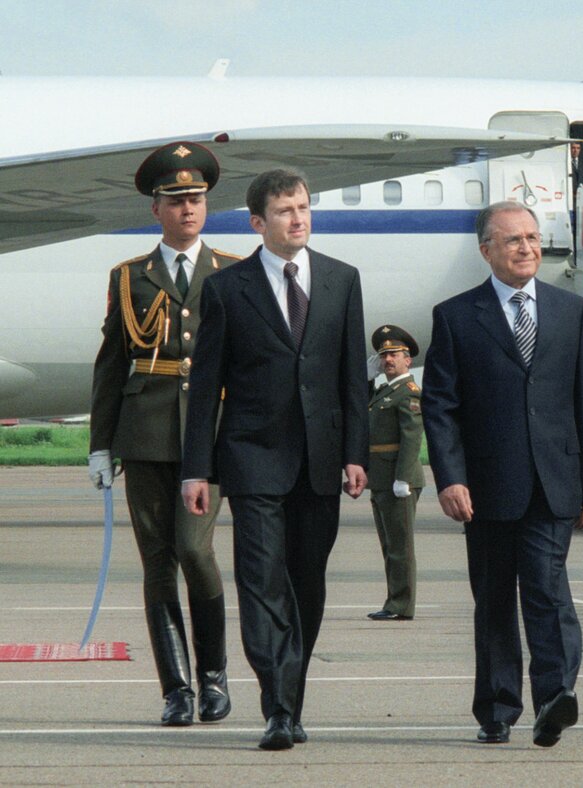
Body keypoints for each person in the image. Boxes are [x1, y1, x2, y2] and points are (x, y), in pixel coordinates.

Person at [180, 168, 369, 750]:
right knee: (262, 583)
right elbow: (205, 386)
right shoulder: (226, 289)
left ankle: (291, 694)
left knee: (306, 585)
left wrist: (356, 454)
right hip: (252, 455)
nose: (299, 218)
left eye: (305, 207)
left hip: (320, 457)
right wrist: (197, 468)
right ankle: (278, 708)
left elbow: (349, 378)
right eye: (285, 211)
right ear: (259, 223)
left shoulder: (341, 280)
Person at [420, 201, 583, 748]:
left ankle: (555, 695)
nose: (527, 248)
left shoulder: (570, 311)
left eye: (532, 237)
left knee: (548, 588)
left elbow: (582, 403)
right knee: (495, 597)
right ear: (486, 251)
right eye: (513, 240)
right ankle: (497, 708)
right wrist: (450, 478)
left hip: (554, 480)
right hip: (486, 487)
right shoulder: (455, 316)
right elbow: (441, 406)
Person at [88, 141, 236, 727]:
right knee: (156, 563)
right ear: (157, 209)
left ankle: (215, 677)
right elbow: (111, 364)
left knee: (196, 552)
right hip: (145, 433)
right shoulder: (129, 277)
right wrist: (100, 443)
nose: (188, 209)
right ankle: (176, 690)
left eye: (196, 199)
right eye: (176, 201)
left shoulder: (229, 272)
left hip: (209, 436)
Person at [365, 324, 424, 621]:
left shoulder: (408, 392)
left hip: (399, 479)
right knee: (389, 544)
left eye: (395, 354)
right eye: (384, 355)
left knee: (400, 546)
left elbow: (411, 438)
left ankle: (401, 605)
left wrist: (402, 478)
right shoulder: (385, 391)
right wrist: (365, 380)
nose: (388, 360)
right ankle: (394, 600)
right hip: (381, 478)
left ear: (408, 360)